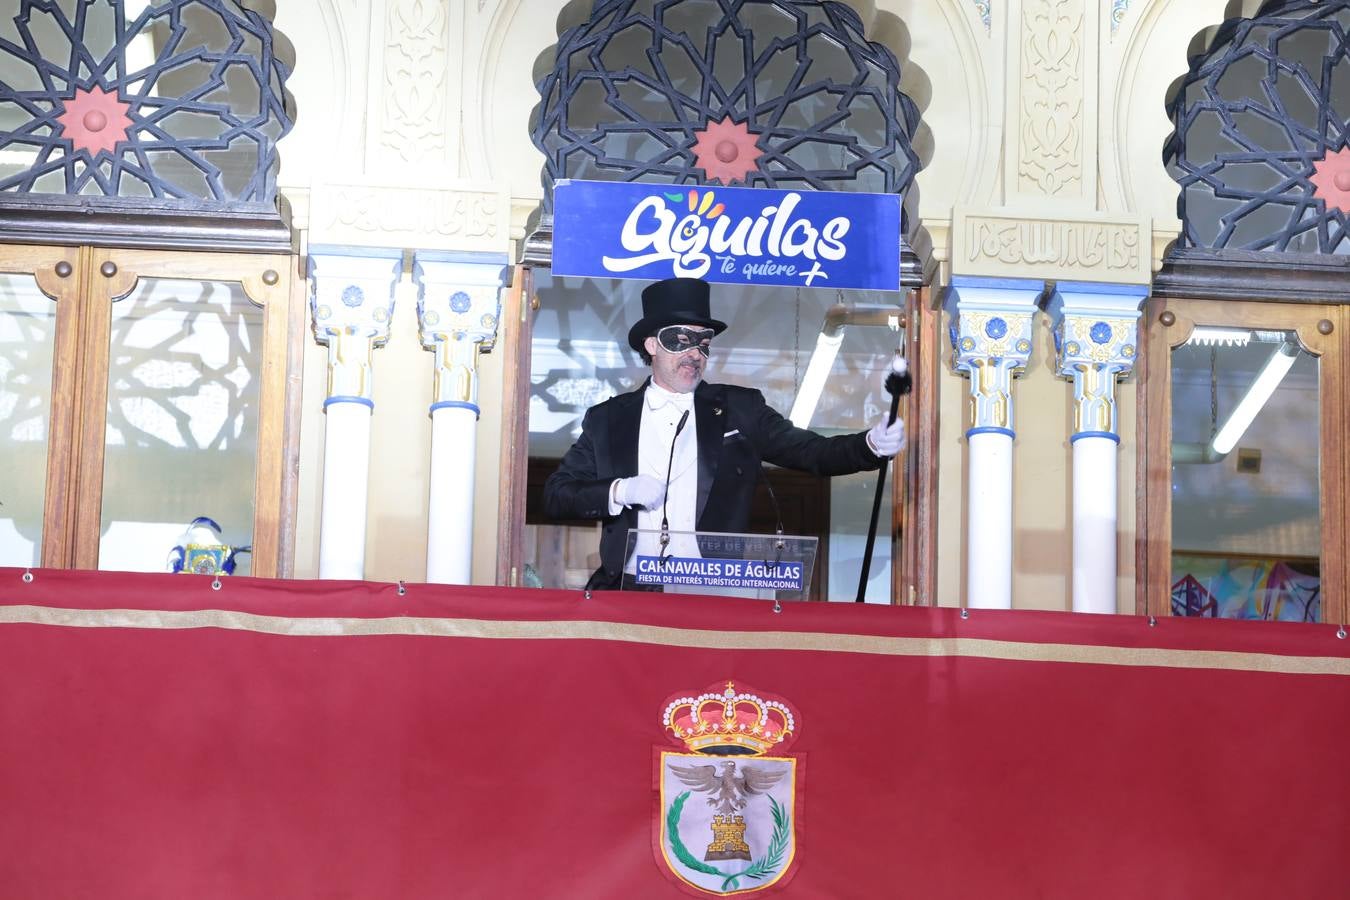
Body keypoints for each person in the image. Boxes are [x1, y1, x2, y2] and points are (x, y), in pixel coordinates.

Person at [542, 277, 905, 591]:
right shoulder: (607, 420)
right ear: (651, 345)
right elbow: (558, 495)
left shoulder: (739, 410)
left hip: (710, 594)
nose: (694, 354)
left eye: (703, 342)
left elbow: (811, 452)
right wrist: (619, 490)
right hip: (628, 592)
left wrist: (869, 444)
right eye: (680, 340)